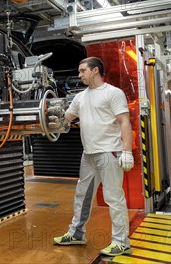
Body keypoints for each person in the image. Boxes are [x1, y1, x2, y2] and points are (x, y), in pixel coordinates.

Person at [53, 57, 134, 257]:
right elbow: (66, 118)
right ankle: (76, 234)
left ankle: (121, 242)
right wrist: (48, 116)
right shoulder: (80, 97)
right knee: (82, 196)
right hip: (88, 154)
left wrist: (127, 151)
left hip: (109, 152)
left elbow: (124, 122)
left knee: (113, 198)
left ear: (95, 70)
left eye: (83, 71)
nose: (80, 75)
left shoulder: (113, 93)